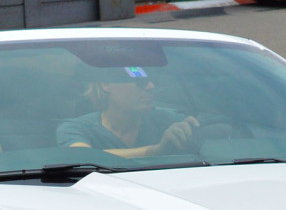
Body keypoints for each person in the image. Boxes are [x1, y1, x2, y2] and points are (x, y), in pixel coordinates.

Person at [57, 66, 199, 158]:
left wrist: (193, 128)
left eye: (152, 81)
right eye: (140, 82)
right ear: (106, 85)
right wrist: (157, 150)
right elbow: (85, 158)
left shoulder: (169, 121)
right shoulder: (75, 129)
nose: (151, 87)